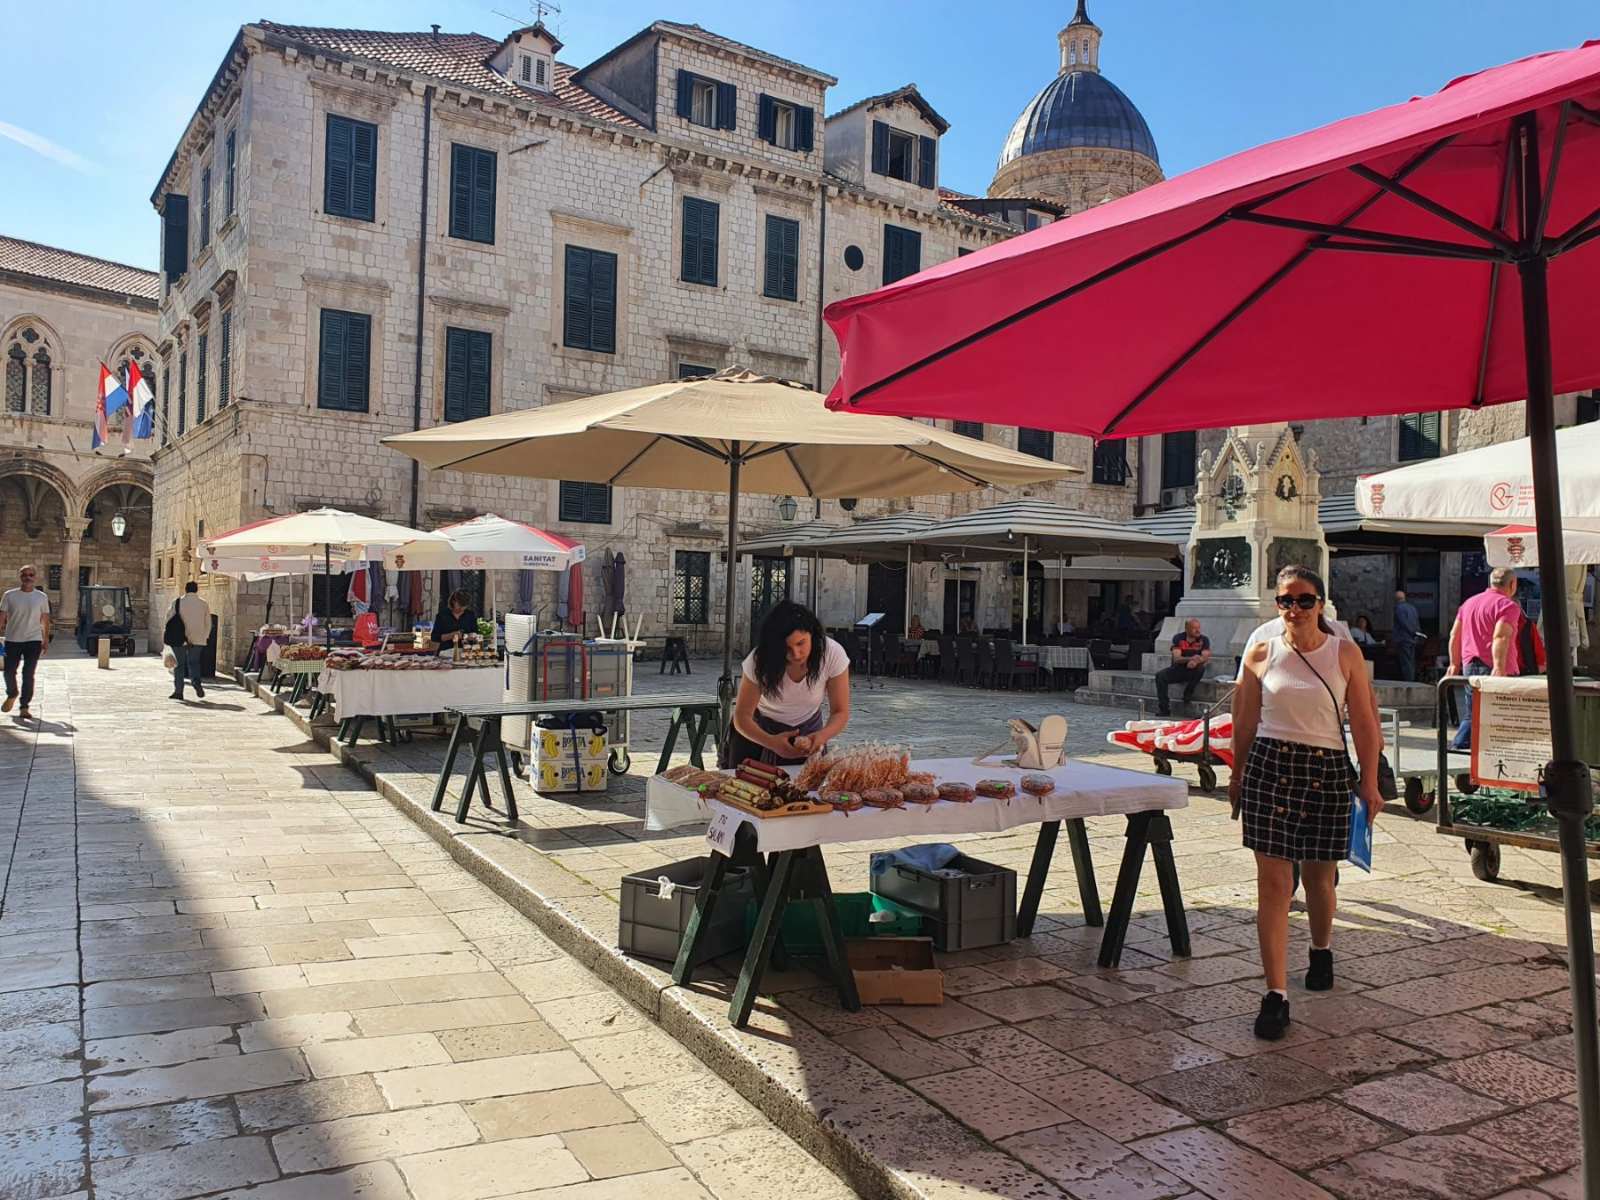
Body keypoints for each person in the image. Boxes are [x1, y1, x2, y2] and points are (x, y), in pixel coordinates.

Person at [1229, 565, 1383, 1041]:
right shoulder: (1260, 651)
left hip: (1328, 768)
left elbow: (1364, 721)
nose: (1294, 609)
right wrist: (1236, 774)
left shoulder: (1345, 653)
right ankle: (1275, 994)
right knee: (1274, 884)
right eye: (1285, 601)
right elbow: (1243, 722)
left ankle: (1321, 948)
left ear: (1321, 603)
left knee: (1319, 875)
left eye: (1304, 600)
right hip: (1270, 768)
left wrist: (1371, 782)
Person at [727, 600, 851, 767]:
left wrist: (821, 736)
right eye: (786, 648)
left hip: (809, 732)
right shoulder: (759, 659)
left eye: (801, 643)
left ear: (812, 635)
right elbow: (742, 717)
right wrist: (771, 742)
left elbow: (840, 711)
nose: (796, 654)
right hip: (758, 734)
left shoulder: (832, 654)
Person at [1448, 567, 1522, 750]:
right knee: (1500, 715)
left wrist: (1454, 664)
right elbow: (1501, 636)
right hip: (1496, 666)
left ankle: (1463, 749)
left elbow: (1454, 635)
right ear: (1512, 584)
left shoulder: (1469, 603)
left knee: (1473, 713)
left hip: (1469, 663)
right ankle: (1461, 747)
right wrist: (1499, 667)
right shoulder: (1508, 605)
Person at [0, 564, 51, 721]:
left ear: (35, 577)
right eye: (24, 575)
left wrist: (45, 639)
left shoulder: (41, 597)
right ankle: (12, 693)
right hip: (12, 639)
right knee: (9, 671)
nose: (27, 577)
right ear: (20, 576)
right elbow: (2, 616)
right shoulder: (9, 595)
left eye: (31, 575)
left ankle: (24, 707)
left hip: (33, 640)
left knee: (28, 674)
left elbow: (45, 620)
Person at [1154, 618, 1211, 717]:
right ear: (1187, 629)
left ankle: (1187, 695)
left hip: (1194, 669)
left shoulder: (1204, 639)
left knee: (1200, 669)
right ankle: (1164, 708)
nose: (1198, 631)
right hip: (1178, 669)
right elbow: (1176, 658)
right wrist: (1190, 659)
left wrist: (1195, 661)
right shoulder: (1179, 638)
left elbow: (1205, 656)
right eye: (1194, 628)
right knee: (1160, 676)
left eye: (1198, 628)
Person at [171, 580, 212, 700]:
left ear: (185, 589)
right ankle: (196, 682)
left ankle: (179, 691)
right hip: (198, 637)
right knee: (194, 662)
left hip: (180, 638)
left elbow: (169, 619)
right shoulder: (203, 604)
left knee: (179, 665)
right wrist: (205, 636)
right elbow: (208, 622)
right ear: (196, 590)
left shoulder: (178, 602)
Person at [1391, 589, 1423, 681]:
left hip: (1403, 638)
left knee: (1405, 662)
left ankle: (1408, 681)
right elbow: (1417, 622)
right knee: (1411, 661)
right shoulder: (1412, 608)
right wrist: (1416, 634)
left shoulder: (1398, 608)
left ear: (1396, 599)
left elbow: (1403, 622)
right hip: (1413, 639)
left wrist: (1411, 632)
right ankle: (1411, 680)